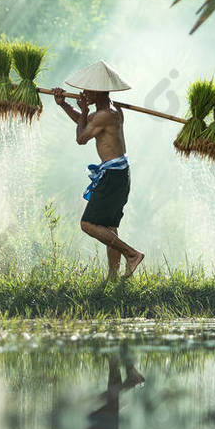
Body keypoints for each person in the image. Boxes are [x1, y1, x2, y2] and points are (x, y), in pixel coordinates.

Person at [53, 59, 145, 280]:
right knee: (108, 227)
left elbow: (81, 137)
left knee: (88, 224)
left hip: (113, 175)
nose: (84, 93)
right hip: (118, 173)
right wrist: (65, 104)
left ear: (101, 92)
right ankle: (113, 277)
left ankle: (132, 254)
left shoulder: (107, 114)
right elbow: (84, 121)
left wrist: (84, 109)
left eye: (89, 90)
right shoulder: (110, 110)